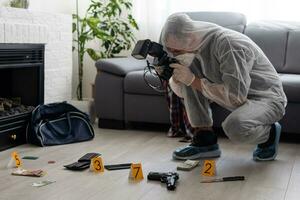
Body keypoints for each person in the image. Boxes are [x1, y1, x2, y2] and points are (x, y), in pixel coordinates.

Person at [159, 13, 287, 161]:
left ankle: (270, 134)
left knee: (234, 127)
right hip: (237, 95)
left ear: (190, 38)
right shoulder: (197, 46)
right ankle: (204, 140)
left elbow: (235, 97)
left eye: (176, 51)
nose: (174, 54)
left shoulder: (229, 45)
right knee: (190, 71)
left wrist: (192, 80)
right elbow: (184, 92)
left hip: (266, 99)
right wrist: (177, 77)